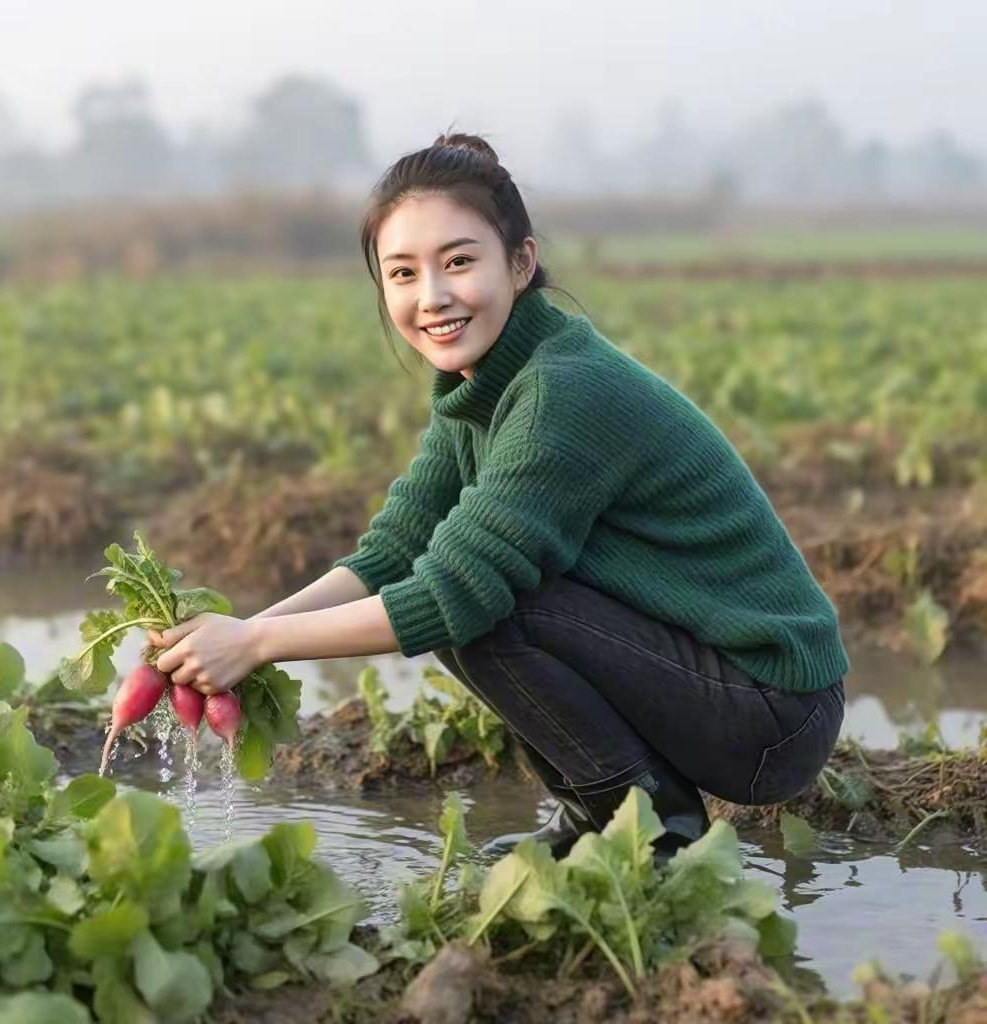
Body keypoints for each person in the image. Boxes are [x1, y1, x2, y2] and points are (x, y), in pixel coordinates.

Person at [149, 130, 850, 863]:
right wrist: (241, 634)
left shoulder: (562, 390)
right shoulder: (479, 384)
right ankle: (596, 816)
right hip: (716, 678)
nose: (433, 297)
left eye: (458, 262)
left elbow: (452, 592)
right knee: (470, 585)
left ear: (521, 262)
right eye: (403, 273)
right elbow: (394, 550)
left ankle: (657, 835)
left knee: (485, 609)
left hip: (773, 714)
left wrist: (257, 644)